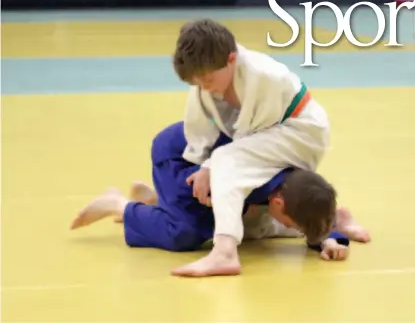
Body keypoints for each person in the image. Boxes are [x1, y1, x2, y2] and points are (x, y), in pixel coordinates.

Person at [171, 18, 364, 276]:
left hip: (301, 133)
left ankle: (225, 252)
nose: (204, 87)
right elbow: (201, 130)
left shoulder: (265, 77)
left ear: (231, 59)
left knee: (227, 162)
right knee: (257, 215)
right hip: (270, 135)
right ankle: (332, 222)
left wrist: (209, 166)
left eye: (207, 79)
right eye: (198, 82)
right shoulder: (212, 75)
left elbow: (243, 143)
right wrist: (201, 164)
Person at [70, 122, 369, 274]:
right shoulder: (245, 183)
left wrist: (331, 238)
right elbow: (220, 206)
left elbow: (309, 204)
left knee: (254, 225)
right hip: (179, 158)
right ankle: (120, 204)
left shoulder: (294, 175)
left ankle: (155, 201)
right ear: (277, 202)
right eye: (298, 227)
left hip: (211, 157)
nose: (297, 231)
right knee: (187, 234)